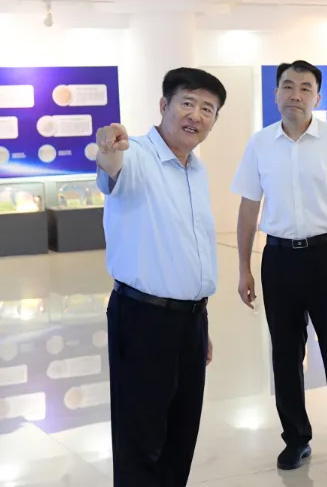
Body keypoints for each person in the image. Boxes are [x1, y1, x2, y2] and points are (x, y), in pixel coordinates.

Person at [230, 60, 327, 480]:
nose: (295, 94)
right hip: (279, 259)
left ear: (317, 96)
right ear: (276, 93)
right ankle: (295, 438)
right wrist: (244, 268)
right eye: (288, 86)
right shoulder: (260, 143)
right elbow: (248, 208)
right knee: (285, 353)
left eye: (305, 87)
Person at [95, 67, 225, 487]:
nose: (196, 116)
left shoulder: (196, 170)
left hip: (190, 320)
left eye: (208, 109)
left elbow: (190, 249)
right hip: (143, 318)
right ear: (164, 105)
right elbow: (112, 166)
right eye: (187, 103)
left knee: (180, 436)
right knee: (141, 439)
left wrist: (199, 323)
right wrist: (108, 149)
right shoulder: (136, 154)